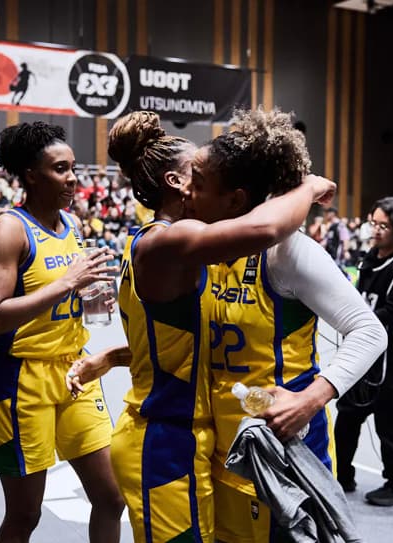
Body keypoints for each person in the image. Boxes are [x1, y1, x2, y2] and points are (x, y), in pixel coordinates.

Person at [67, 109, 337, 543]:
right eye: (201, 170)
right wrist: (307, 186)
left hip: (196, 437)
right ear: (178, 182)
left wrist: (109, 356)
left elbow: (172, 345)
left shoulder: (184, 247)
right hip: (162, 438)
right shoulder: (165, 241)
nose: (211, 175)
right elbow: (266, 226)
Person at [190, 109, 386, 542]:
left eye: (199, 184)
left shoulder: (288, 253)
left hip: (283, 444)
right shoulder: (205, 244)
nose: (188, 192)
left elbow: (370, 331)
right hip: (224, 442)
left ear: (236, 198)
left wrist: (312, 398)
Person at [0, 121, 124, 543]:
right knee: (25, 515)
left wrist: (93, 297)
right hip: (22, 380)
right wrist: (66, 284)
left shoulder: (72, 226)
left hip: (75, 371)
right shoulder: (8, 229)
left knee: (111, 498)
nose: (72, 178)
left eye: (73, 168)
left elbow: (70, 291)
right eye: (60, 169)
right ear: (30, 175)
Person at [334, 196, 393, 507]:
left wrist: (351, 318)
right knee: (347, 416)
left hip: (392, 362)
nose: (375, 230)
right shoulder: (369, 259)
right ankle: (341, 474)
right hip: (363, 357)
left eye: (383, 226)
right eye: (373, 223)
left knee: (392, 424)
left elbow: (390, 319)